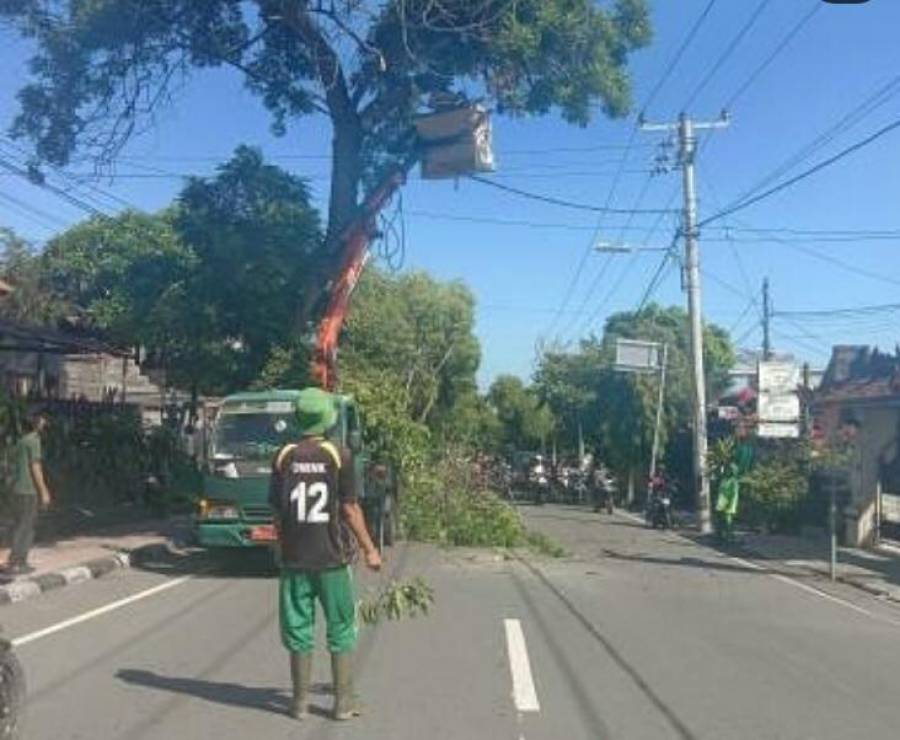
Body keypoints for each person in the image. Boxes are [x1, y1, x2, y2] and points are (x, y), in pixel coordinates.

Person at [269, 388, 382, 722]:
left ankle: (299, 703)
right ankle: (343, 703)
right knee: (341, 626)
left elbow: (277, 513)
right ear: (327, 420)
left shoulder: (283, 456)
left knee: (297, 628)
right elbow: (350, 508)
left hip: (294, 561)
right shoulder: (338, 455)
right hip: (332, 559)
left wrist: (283, 546)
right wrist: (370, 549)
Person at [5, 410, 52, 575]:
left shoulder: (21, 441)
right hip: (28, 489)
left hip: (16, 489)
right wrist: (44, 491)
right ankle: (18, 562)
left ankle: (15, 561)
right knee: (26, 527)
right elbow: (35, 466)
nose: (45, 423)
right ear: (37, 423)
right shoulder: (34, 441)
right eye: (43, 420)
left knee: (19, 525)